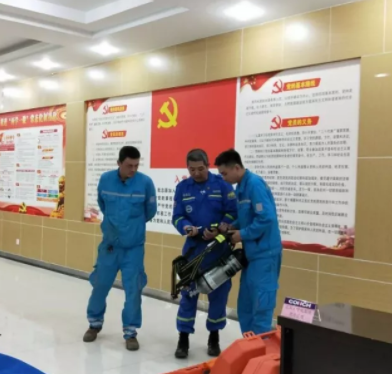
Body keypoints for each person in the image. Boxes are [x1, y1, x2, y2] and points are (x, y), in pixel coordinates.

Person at [84, 146, 157, 351]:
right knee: (100, 285)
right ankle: (94, 323)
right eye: (129, 165)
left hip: (133, 248)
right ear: (119, 163)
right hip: (109, 246)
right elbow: (103, 204)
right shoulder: (106, 180)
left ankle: (130, 332)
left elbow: (150, 211)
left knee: (133, 290)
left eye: (136, 165)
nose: (133, 169)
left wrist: (131, 228)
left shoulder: (145, 183)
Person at [171, 149, 237, 359]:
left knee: (218, 296)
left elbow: (233, 213)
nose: (196, 173)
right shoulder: (183, 187)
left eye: (200, 169)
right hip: (192, 252)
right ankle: (183, 339)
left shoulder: (222, 185)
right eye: (192, 170)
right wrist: (186, 227)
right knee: (188, 295)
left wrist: (219, 228)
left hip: (218, 251)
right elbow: (177, 216)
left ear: (208, 166)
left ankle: (214, 338)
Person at [214, 149, 281, 335]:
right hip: (250, 255)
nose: (223, 178)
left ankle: (260, 350)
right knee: (245, 306)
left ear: (236, 167)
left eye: (224, 174)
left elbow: (266, 219)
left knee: (261, 306)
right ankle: (249, 346)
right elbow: (247, 217)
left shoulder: (255, 185)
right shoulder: (241, 188)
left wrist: (241, 234)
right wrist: (231, 226)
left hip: (265, 255)